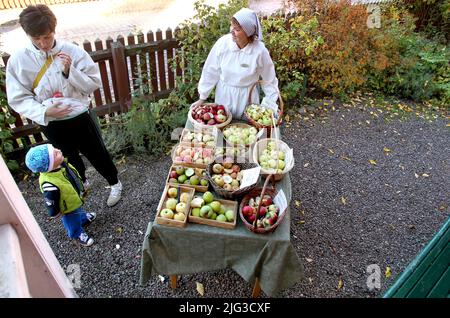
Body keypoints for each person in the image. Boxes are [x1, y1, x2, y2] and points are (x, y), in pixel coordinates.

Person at [5, 4, 122, 207]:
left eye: (47, 37)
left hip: (79, 117)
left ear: (54, 30)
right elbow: (17, 98)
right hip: (50, 121)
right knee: (66, 158)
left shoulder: (72, 51)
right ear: (28, 35)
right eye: (36, 39)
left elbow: (94, 82)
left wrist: (70, 71)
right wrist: (44, 111)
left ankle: (114, 183)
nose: (43, 43)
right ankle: (81, 183)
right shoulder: (19, 60)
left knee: (98, 153)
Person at [193, 7, 280, 119]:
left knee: (246, 130)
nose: (231, 31)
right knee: (223, 126)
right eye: (231, 26)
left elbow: (269, 79)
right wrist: (202, 97)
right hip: (224, 95)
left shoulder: (259, 51)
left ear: (248, 33)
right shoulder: (223, 44)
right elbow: (210, 70)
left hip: (247, 98)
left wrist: (271, 103)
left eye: (237, 29)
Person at [25, 144, 96, 247]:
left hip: (72, 197)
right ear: (49, 165)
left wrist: (81, 186)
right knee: (71, 220)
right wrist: (55, 212)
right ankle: (77, 234)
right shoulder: (49, 183)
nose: (58, 150)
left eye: (55, 149)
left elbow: (72, 176)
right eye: (55, 153)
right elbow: (50, 200)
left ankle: (83, 218)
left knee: (78, 210)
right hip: (66, 208)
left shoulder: (61, 165)